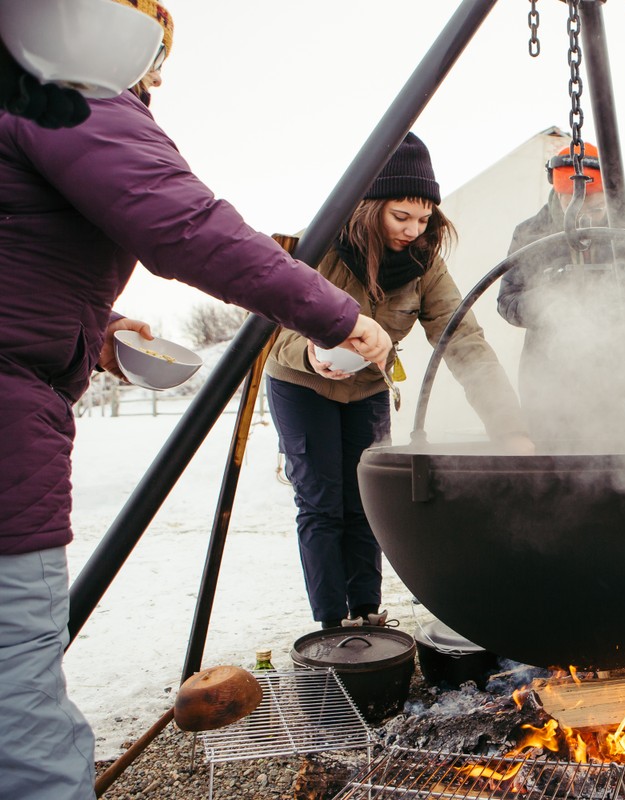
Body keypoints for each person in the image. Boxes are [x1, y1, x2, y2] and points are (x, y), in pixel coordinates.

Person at [0, 1, 391, 796]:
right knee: (19, 713)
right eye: (154, 60)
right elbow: (188, 224)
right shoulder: (56, 78)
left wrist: (99, 331)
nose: (154, 79)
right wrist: (340, 316)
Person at [266, 133, 534, 631]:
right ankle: (330, 625)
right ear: (370, 207)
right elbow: (271, 332)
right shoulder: (321, 243)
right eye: (401, 216)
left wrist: (510, 427)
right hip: (302, 384)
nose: (414, 230)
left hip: (367, 384)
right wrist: (307, 351)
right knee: (322, 503)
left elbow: (464, 341)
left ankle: (366, 613)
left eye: (424, 218)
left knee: (365, 496)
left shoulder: (423, 264)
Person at [498, 142, 625, 445]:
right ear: (558, 194)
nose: (587, 218)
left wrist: (621, 306)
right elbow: (508, 300)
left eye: (596, 207)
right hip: (552, 392)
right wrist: (545, 307)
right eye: (574, 205)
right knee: (558, 481)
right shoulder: (530, 232)